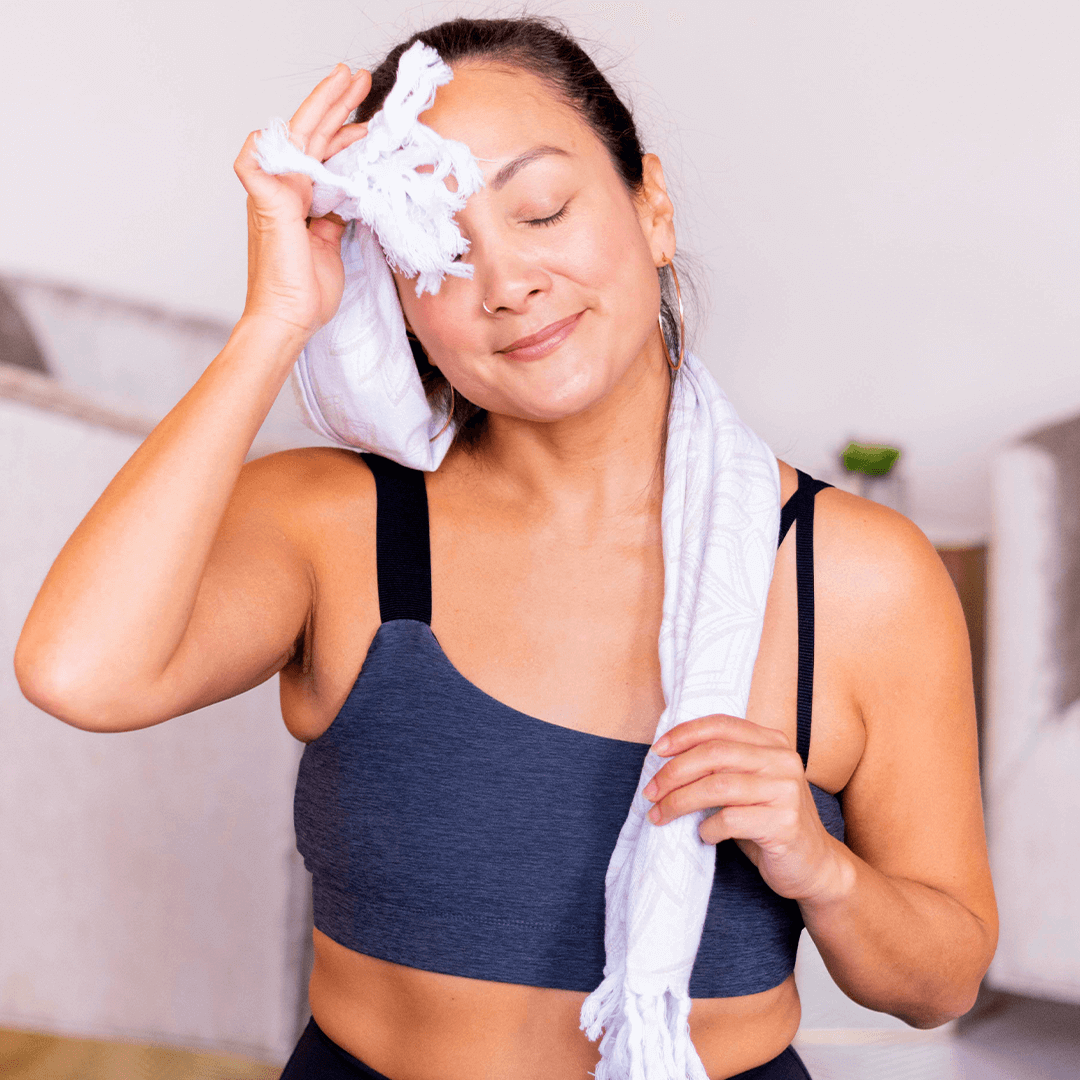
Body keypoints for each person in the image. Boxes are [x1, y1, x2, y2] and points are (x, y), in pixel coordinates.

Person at [14, 16, 997, 1080]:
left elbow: (939, 982)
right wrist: (275, 321)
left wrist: (819, 865)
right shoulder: (336, 525)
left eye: (541, 210)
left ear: (651, 208)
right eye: (437, 250)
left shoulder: (855, 579)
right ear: (392, 294)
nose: (506, 281)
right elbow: (78, 673)